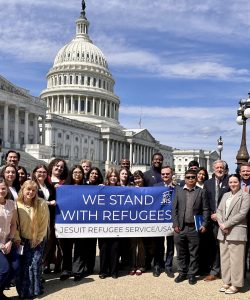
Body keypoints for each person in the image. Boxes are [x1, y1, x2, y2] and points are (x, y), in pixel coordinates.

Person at [172, 169, 209, 285]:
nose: (191, 179)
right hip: (180, 228)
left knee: (194, 253)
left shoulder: (201, 192)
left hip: (194, 228)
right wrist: (176, 224)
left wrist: (204, 224)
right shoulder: (178, 191)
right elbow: (174, 209)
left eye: (193, 177)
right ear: (185, 178)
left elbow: (205, 209)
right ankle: (182, 272)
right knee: (181, 252)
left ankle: (192, 274)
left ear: (196, 178)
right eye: (188, 177)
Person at [15, 180, 49, 299]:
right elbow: (15, 224)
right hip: (21, 240)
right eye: (28, 189)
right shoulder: (16, 204)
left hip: (37, 239)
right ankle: (24, 292)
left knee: (34, 264)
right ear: (23, 190)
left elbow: (44, 223)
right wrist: (17, 237)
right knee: (23, 266)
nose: (31, 192)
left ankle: (35, 290)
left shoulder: (41, 203)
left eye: (33, 190)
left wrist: (38, 238)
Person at [216, 174, 250, 294]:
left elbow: (242, 213)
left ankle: (236, 284)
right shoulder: (226, 195)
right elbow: (219, 211)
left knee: (236, 260)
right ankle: (227, 281)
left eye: (235, 182)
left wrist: (226, 225)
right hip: (223, 231)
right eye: (230, 182)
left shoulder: (245, 195)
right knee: (225, 258)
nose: (232, 184)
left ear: (239, 182)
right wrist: (221, 224)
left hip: (236, 231)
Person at [203, 160, 230, 281]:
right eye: (217, 167)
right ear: (214, 169)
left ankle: (226, 271)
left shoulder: (229, 181)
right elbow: (205, 202)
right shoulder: (207, 183)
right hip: (211, 221)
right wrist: (211, 215)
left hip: (225, 220)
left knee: (225, 246)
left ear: (224, 169)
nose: (219, 169)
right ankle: (214, 270)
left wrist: (219, 216)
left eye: (221, 167)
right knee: (213, 246)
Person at [59, 165, 86, 281]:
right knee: (66, 247)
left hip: (82, 221)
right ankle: (66, 269)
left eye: (80, 172)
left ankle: (77, 270)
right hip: (67, 221)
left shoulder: (87, 187)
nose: (77, 174)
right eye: (75, 172)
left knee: (80, 247)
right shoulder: (64, 186)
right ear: (71, 173)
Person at [32, 164, 57, 274]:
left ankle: (40, 269)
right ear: (35, 173)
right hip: (35, 219)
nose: (42, 174)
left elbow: (55, 198)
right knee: (36, 244)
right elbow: (32, 199)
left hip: (48, 218)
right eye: (39, 171)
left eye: (44, 172)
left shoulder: (49, 186)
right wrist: (48, 203)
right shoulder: (32, 185)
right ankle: (34, 272)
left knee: (46, 244)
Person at [153, 166, 175, 278]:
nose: (165, 176)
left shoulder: (177, 187)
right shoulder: (155, 187)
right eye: (163, 174)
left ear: (171, 174)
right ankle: (157, 265)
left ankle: (168, 266)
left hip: (172, 220)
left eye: (167, 174)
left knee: (171, 245)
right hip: (159, 219)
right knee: (158, 244)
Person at [98, 168, 120, 279]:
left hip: (116, 223)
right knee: (104, 247)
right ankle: (103, 270)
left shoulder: (122, 189)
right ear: (108, 177)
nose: (113, 178)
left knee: (115, 247)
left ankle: (114, 271)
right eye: (111, 176)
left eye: (115, 176)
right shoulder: (102, 188)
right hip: (103, 222)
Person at [143, 153, 163, 270]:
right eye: (156, 159)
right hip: (149, 212)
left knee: (160, 241)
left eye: (160, 160)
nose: (157, 161)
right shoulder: (146, 175)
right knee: (148, 240)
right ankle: (147, 262)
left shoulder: (165, 174)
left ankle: (158, 263)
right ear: (152, 161)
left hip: (162, 212)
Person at [0, 178, 19, 300]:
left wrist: (10, 241)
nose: (1, 191)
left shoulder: (11, 204)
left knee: (16, 268)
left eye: (3, 188)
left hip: (8, 241)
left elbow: (13, 224)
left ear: (7, 189)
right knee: (4, 270)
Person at [84, 167, 103, 275]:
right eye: (92, 173)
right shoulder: (84, 186)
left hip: (100, 219)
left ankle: (102, 266)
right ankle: (88, 267)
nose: (94, 175)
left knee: (100, 244)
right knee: (89, 245)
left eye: (96, 173)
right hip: (88, 219)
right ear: (89, 174)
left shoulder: (102, 187)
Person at [128, 170, 146, 276]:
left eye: (139, 178)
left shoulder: (148, 190)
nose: (137, 180)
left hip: (144, 220)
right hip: (132, 220)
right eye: (135, 179)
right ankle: (132, 265)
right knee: (132, 244)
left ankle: (141, 265)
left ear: (142, 179)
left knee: (141, 244)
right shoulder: (130, 190)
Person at [239, 163, 250, 272]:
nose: (246, 173)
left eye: (248, 171)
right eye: (244, 171)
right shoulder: (235, 184)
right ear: (240, 173)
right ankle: (242, 272)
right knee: (241, 248)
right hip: (239, 221)